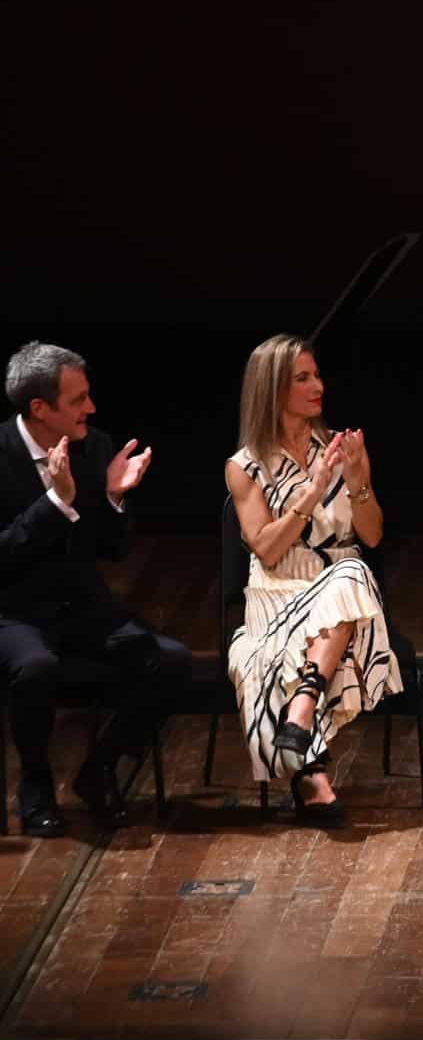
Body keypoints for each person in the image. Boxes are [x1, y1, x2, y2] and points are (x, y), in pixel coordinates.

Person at [0, 341, 189, 836]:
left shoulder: (95, 446)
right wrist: (56, 504)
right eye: (79, 399)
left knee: (168, 659)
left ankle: (99, 768)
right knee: (35, 666)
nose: (92, 408)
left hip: (80, 607)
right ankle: (36, 786)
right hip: (13, 613)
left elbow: (113, 550)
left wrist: (112, 496)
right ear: (39, 408)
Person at [224, 335, 401, 825]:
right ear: (272, 388)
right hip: (278, 593)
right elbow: (267, 548)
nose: (318, 385)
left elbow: (372, 534)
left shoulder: (338, 448)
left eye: (317, 375)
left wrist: (358, 479)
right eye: (302, 378)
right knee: (351, 579)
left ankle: (303, 714)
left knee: (350, 571)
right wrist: (315, 490)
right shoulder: (245, 466)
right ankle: (309, 759)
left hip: (342, 591)